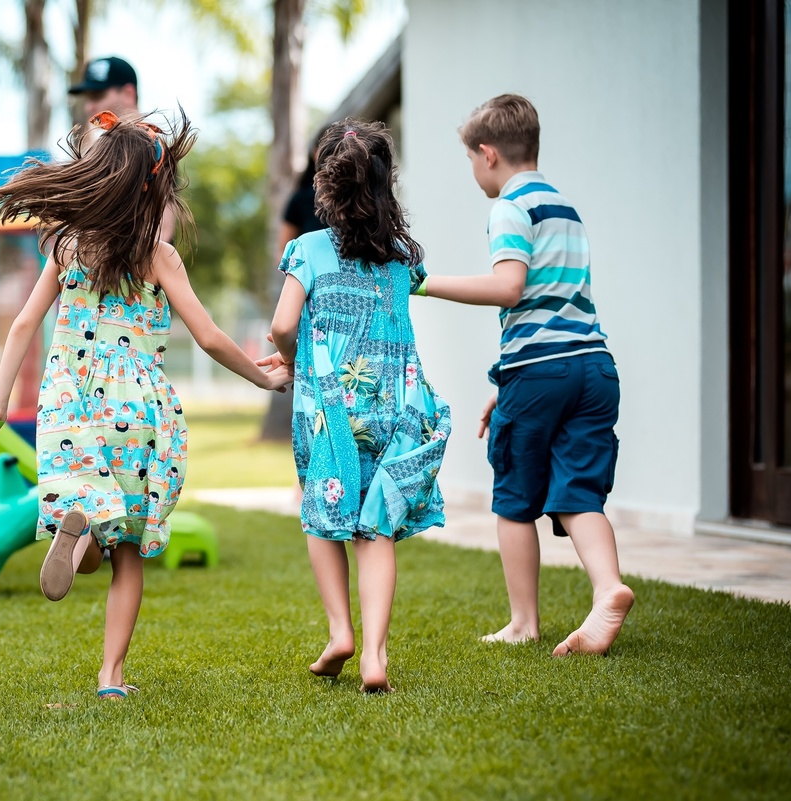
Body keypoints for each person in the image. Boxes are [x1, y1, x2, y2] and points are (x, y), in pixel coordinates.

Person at [0, 108, 292, 700]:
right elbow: (212, 336)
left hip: (70, 401)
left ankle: (83, 529)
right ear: (153, 186)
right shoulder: (157, 253)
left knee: (92, 513)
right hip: (137, 409)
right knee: (130, 555)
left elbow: (21, 326)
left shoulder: (65, 246)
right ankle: (111, 677)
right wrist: (263, 380)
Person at [418, 94, 634, 656]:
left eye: (469, 159)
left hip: (540, 374)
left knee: (514, 495)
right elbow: (554, 305)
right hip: (592, 368)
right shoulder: (565, 208)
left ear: (487, 154)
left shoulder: (510, 207)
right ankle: (608, 589)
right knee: (579, 492)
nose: (472, 171)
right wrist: (502, 385)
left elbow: (510, 289)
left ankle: (522, 622)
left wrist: (425, 281)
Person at [259, 119, 452, 693]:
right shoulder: (400, 257)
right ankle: (374, 656)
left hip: (333, 416)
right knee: (376, 529)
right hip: (393, 409)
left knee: (324, 516)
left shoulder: (309, 249)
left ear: (326, 188)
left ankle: (341, 631)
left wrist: (292, 362)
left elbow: (281, 324)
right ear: (385, 187)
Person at [68, 57, 175, 242]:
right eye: (87, 98)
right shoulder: (101, 149)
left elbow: (161, 230)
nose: (89, 106)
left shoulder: (152, 147)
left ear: (128, 93)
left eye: (98, 96)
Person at [275, 125, 332, 263]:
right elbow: (282, 252)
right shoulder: (301, 199)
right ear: (315, 153)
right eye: (328, 150)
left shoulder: (360, 199)